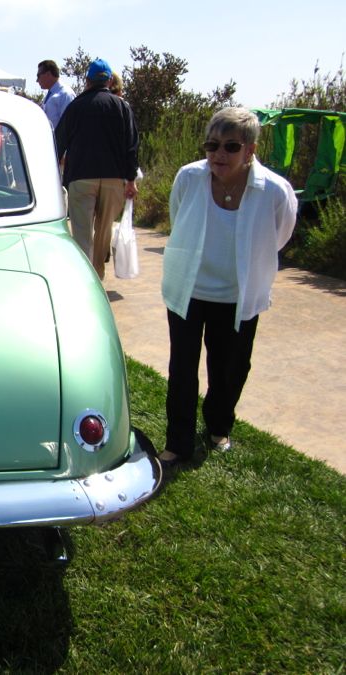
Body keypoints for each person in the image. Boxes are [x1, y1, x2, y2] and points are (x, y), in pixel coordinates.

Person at [159, 108, 298, 469]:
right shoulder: (190, 177)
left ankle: (219, 427)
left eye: (230, 146)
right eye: (212, 144)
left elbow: (279, 235)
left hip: (239, 295)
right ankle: (178, 442)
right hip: (188, 289)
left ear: (250, 150)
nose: (218, 154)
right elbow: (179, 217)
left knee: (230, 368)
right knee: (183, 368)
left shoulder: (274, 191)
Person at [54, 58, 139, 280]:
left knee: (82, 234)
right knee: (104, 232)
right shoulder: (122, 107)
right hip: (114, 179)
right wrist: (131, 179)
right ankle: (98, 277)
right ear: (109, 81)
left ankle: (85, 280)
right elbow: (132, 146)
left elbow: (58, 142)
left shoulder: (75, 107)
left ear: (87, 81)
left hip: (81, 177)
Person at [36, 59, 75, 130]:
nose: (37, 80)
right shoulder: (50, 95)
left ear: (48, 74)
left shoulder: (65, 94)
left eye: (38, 76)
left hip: (59, 140)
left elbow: (69, 125)